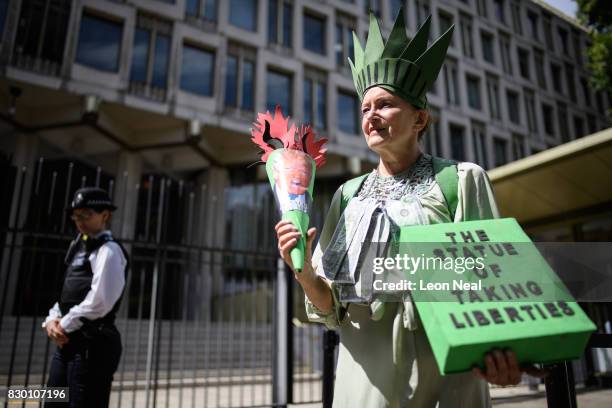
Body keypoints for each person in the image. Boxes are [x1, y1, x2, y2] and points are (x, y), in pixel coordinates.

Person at [275, 9, 547, 407]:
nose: (371, 116)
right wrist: (303, 273)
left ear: (420, 118)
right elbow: (330, 306)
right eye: (365, 108)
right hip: (363, 385)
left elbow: (493, 284)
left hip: (448, 378)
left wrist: (506, 355)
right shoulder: (347, 195)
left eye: (384, 105)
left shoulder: (462, 180)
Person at [42, 187, 128, 407]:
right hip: (67, 344)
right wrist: (52, 320)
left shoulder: (109, 251)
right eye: (76, 215)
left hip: (93, 346)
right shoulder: (77, 247)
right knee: (53, 401)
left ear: (105, 215)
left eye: (86, 215)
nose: (79, 221)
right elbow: (67, 293)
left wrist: (64, 324)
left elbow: (100, 301)